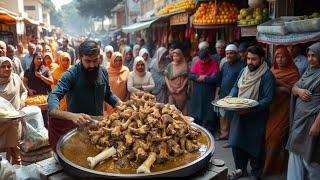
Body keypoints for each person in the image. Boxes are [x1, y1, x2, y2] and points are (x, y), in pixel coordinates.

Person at [47, 40, 121, 150]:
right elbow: (54, 96)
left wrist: (120, 104)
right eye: (88, 61)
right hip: (78, 131)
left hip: (100, 126)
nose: (92, 65)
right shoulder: (71, 74)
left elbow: (108, 94)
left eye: (95, 60)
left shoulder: (103, 72)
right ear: (80, 58)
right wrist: (72, 116)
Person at [228, 46, 275, 180]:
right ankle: (240, 169)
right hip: (239, 114)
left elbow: (268, 98)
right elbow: (236, 87)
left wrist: (251, 107)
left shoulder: (267, 75)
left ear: (262, 59)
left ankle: (256, 173)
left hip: (256, 116)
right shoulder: (244, 71)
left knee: (255, 146)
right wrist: (230, 97)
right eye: (248, 58)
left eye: (253, 59)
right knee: (236, 143)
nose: (250, 62)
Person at [263, 46, 299, 175]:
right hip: (271, 109)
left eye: (283, 56)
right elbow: (265, 89)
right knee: (268, 136)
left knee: (277, 137)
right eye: (277, 57)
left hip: (285, 110)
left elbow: (295, 90)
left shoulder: (293, 72)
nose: (280, 59)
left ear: (288, 57)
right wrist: (279, 88)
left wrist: (281, 85)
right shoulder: (272, 70)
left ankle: (276, 167)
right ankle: (268, 166)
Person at [286, 42, 320, 180]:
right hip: (299, 121)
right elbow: (294, 88)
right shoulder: (308, 71)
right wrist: (299, 91)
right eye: (309, 55)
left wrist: (317, 125)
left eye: (314, 56)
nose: (310, 59)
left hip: (312, 122)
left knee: (311, 157)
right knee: (295, 153)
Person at [0, 57, 27, 164]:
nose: (7, 69)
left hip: (15, 123)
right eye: (3, 66)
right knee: (2, 155)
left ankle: (17, 172)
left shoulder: (16, 78)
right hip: (1, 125)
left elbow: (23, 91)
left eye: (9, 66)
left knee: (17, 152)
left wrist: (22, 100)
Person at [215, 44, 246, 142]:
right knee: (223, 115)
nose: (228, 55)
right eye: (227, 53)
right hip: (224, 93)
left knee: (233, 117)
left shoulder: (242, 65)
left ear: (236, 54)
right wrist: (218, 92)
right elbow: (220, 79)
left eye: (231, 53)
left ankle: (232, 139)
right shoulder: (224, 65)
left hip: (235, 94)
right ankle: (224, 134)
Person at [189, 49, 219, 133]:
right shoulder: (197, 63)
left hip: (209, 91)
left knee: (208, 111)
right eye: (201, 59)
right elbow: (191, 75)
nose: (203, 61)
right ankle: (197, 129)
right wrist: (198, 77)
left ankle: (208, 131)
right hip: (198, 91)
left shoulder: (213, 63)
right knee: (197, 111)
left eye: (204, 59)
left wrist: (205, 78)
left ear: (208, 57)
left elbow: (216, 78)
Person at [164, 49, 189, 115]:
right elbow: (166, 77)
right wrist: (169, 88)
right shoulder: (170, 65)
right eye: (173, 56)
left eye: (177, 56)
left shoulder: (184, 65)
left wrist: (181, 88)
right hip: (172, 90)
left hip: (181, 91)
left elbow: (186, 78)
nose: (175, 58)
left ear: (181, 56)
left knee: (183, 110)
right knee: (171, 110)